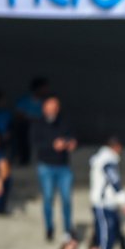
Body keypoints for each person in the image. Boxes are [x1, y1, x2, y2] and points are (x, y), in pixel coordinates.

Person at [31, 96, 76, 241]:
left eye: (55, 108)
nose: (53, 111)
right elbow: (35, 143)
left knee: (66, 199)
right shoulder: (38, 124)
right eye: (50, 108)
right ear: (44, 108)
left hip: (63, 167)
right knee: (48, 198)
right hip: (46, 166)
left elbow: (73, 138)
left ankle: (68, 229)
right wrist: (53, 145)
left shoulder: (64, 123)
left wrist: (69, 143)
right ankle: (49, 227)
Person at [89, 136, 125, 249]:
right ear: (116, 146)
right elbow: (114, 181)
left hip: (108, 204)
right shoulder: (107, 160)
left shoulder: (105, 159)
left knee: (114, 233)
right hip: (103, 204)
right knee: (105, 236)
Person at [10, 77, 49, 167]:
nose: (46, 90)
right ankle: (23, 159)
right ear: (38, 88)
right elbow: (19, 115)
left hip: (41, 127)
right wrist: (32, 119)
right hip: (26, 127)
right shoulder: (24, 100)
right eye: (44, 88)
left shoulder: (45, 102)